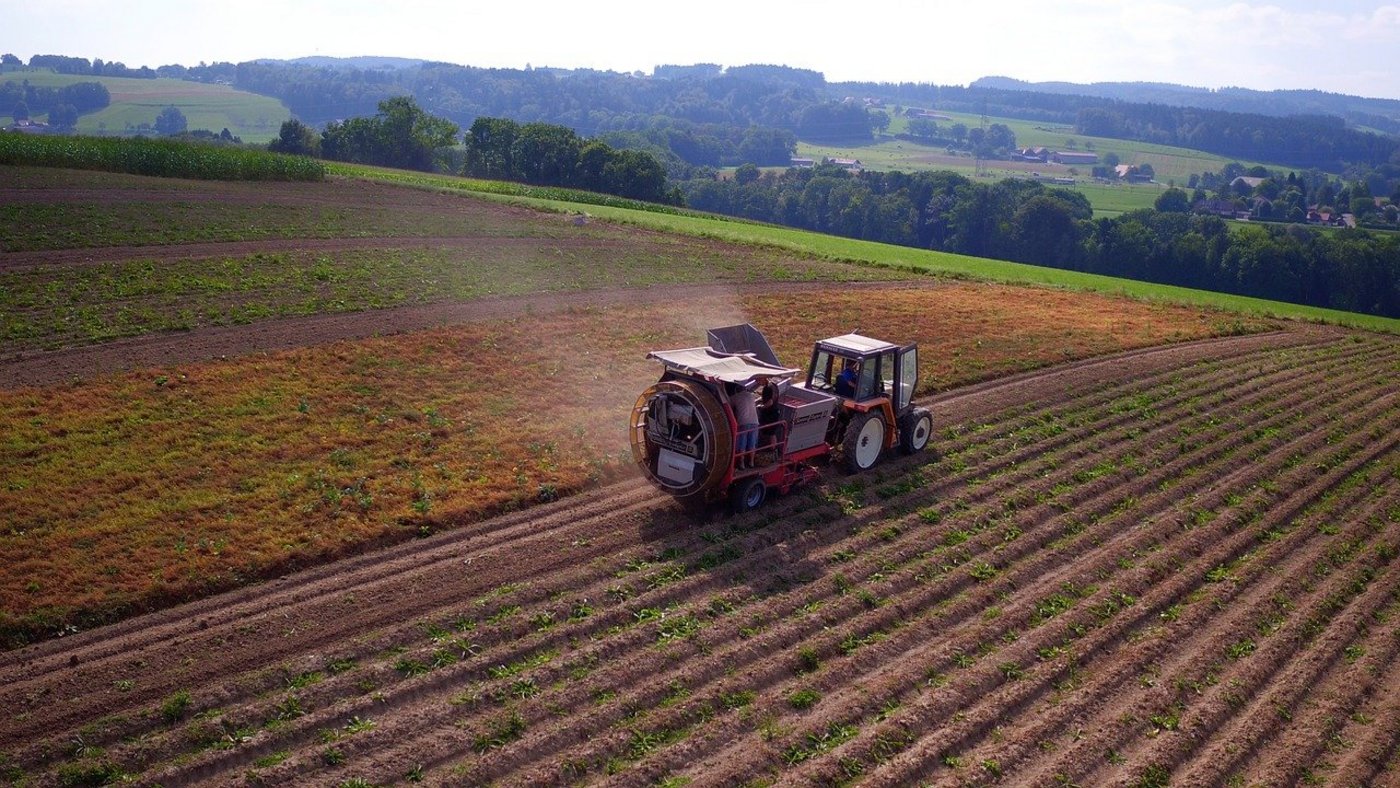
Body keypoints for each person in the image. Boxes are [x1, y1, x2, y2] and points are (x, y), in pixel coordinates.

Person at [732, 382, 760, 468]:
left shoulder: (736, 397)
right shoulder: (751, 396)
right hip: (755, 422)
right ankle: (751, 462)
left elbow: (729, 404)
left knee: (742, 443)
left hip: (743, 422)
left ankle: (741, 463)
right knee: (752, 443)